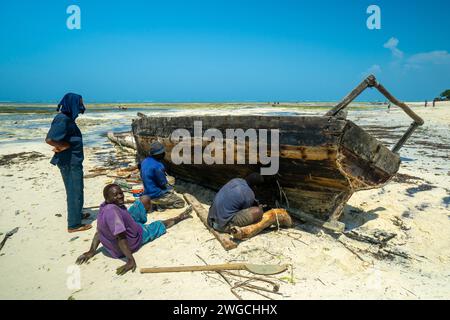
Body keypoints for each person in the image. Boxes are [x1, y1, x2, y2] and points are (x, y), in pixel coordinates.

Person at [75, 184, 192, 275]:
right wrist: (130, 260)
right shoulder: (113, 213)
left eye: (120, 193)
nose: (120, 196)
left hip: (128, 223)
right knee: (158, 225)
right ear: (108, 198)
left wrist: (92, 251)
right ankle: (179, 217)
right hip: (135, 237)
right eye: (115, 195)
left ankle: (151, 210)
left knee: (144, 199)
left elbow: (100, 231)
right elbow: (121, 238)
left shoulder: (105, 206)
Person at [45, 93, 91, 233]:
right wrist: (62, 146)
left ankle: (77, 213)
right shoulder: (62, 119)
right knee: (73, 191)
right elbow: (50, 139)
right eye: (79, 103)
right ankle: (74, 224)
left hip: (74, 161)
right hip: (69, 163)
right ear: (72, 104)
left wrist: (62, 144)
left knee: (78, 188)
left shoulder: (68, 119)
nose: (82, 106)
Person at [139, 141, 185, 209]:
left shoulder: (144, 161)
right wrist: (171, 188)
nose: (164, 153)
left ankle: (154, 202)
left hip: (146, 193)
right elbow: (162, 184)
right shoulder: (158, 166)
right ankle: (159, 204)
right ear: (159, 154)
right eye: (163, 152)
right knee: (180, 202)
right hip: (156, 194)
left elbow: (142, 175)